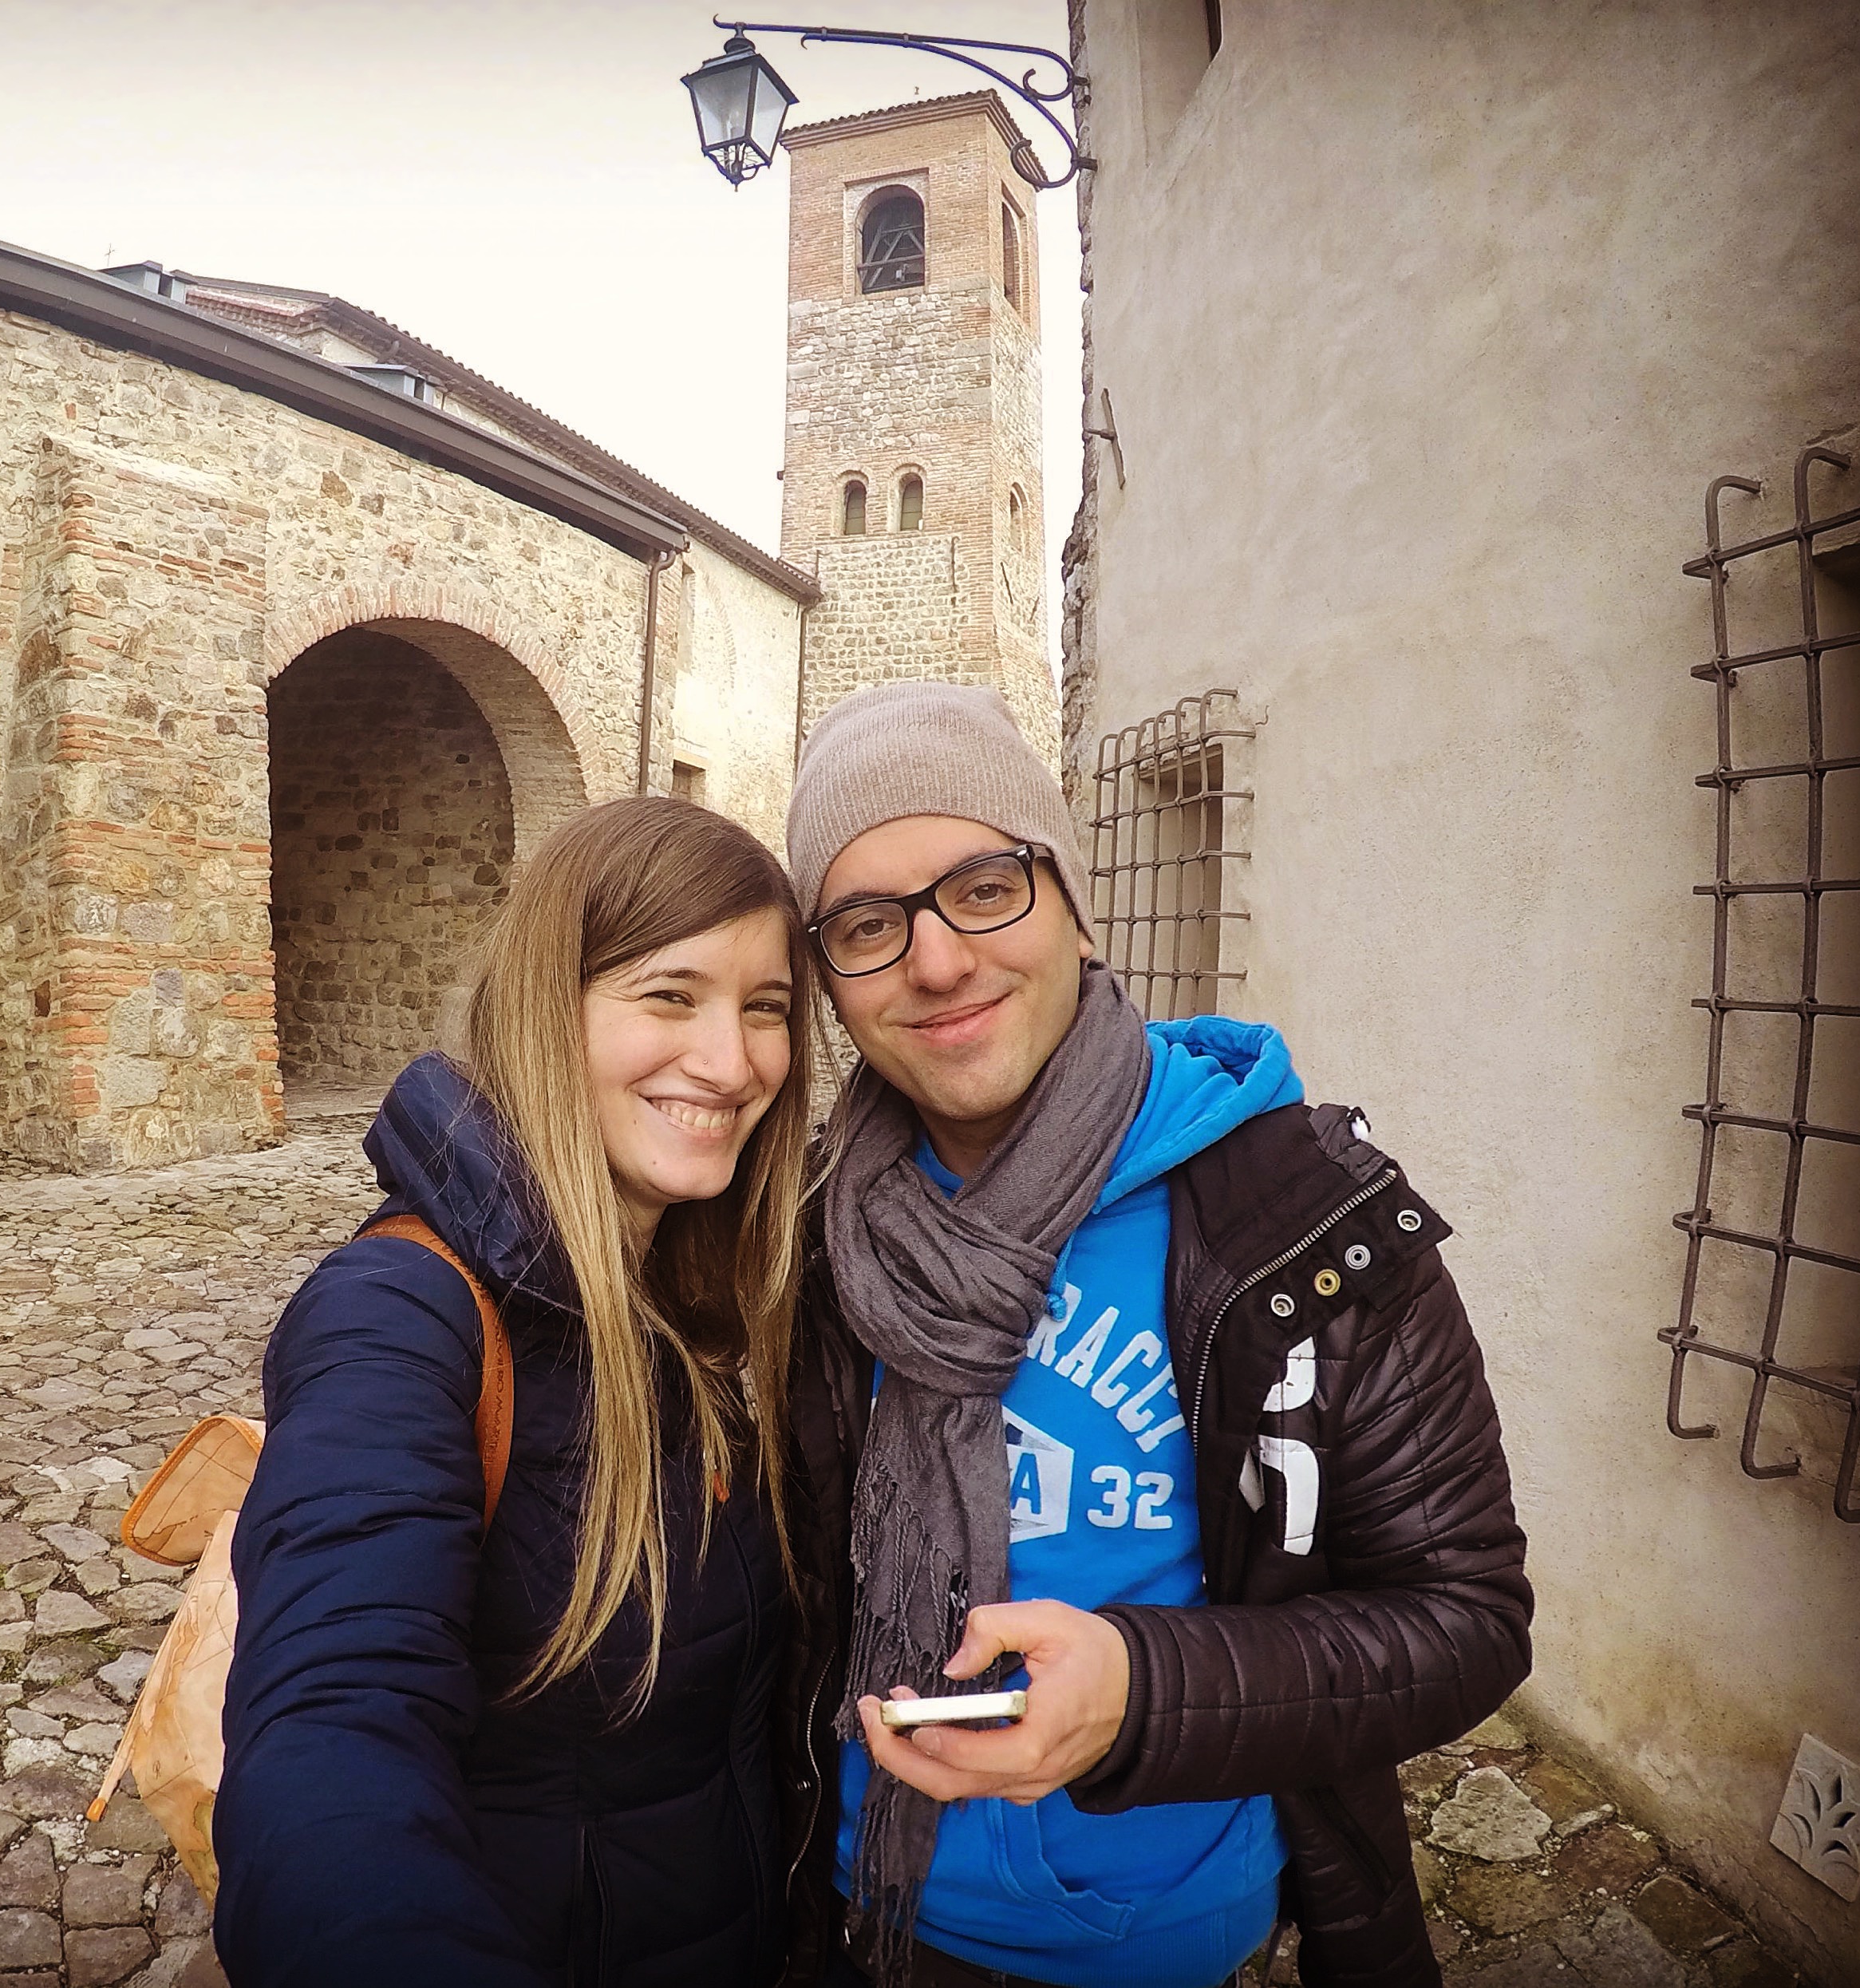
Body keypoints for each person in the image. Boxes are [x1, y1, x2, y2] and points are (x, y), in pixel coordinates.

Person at [776, 683, 1530, 1988]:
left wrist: (1144, 1691)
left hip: (1162, 1932)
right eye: (865, 923)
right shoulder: (811, 1233)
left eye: (984, 886)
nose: (938, 960)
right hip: (852, 1909)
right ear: (827, 980)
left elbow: (1466, 1619)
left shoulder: (1301, 1222)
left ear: (1071, 898)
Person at [215, 796, 819, 1988]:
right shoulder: (399, 1315)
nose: (733, 1061)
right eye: (668, 996)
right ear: (553, 1006)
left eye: (766, 1010)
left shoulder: (697, 1300)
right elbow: (334, 1730)